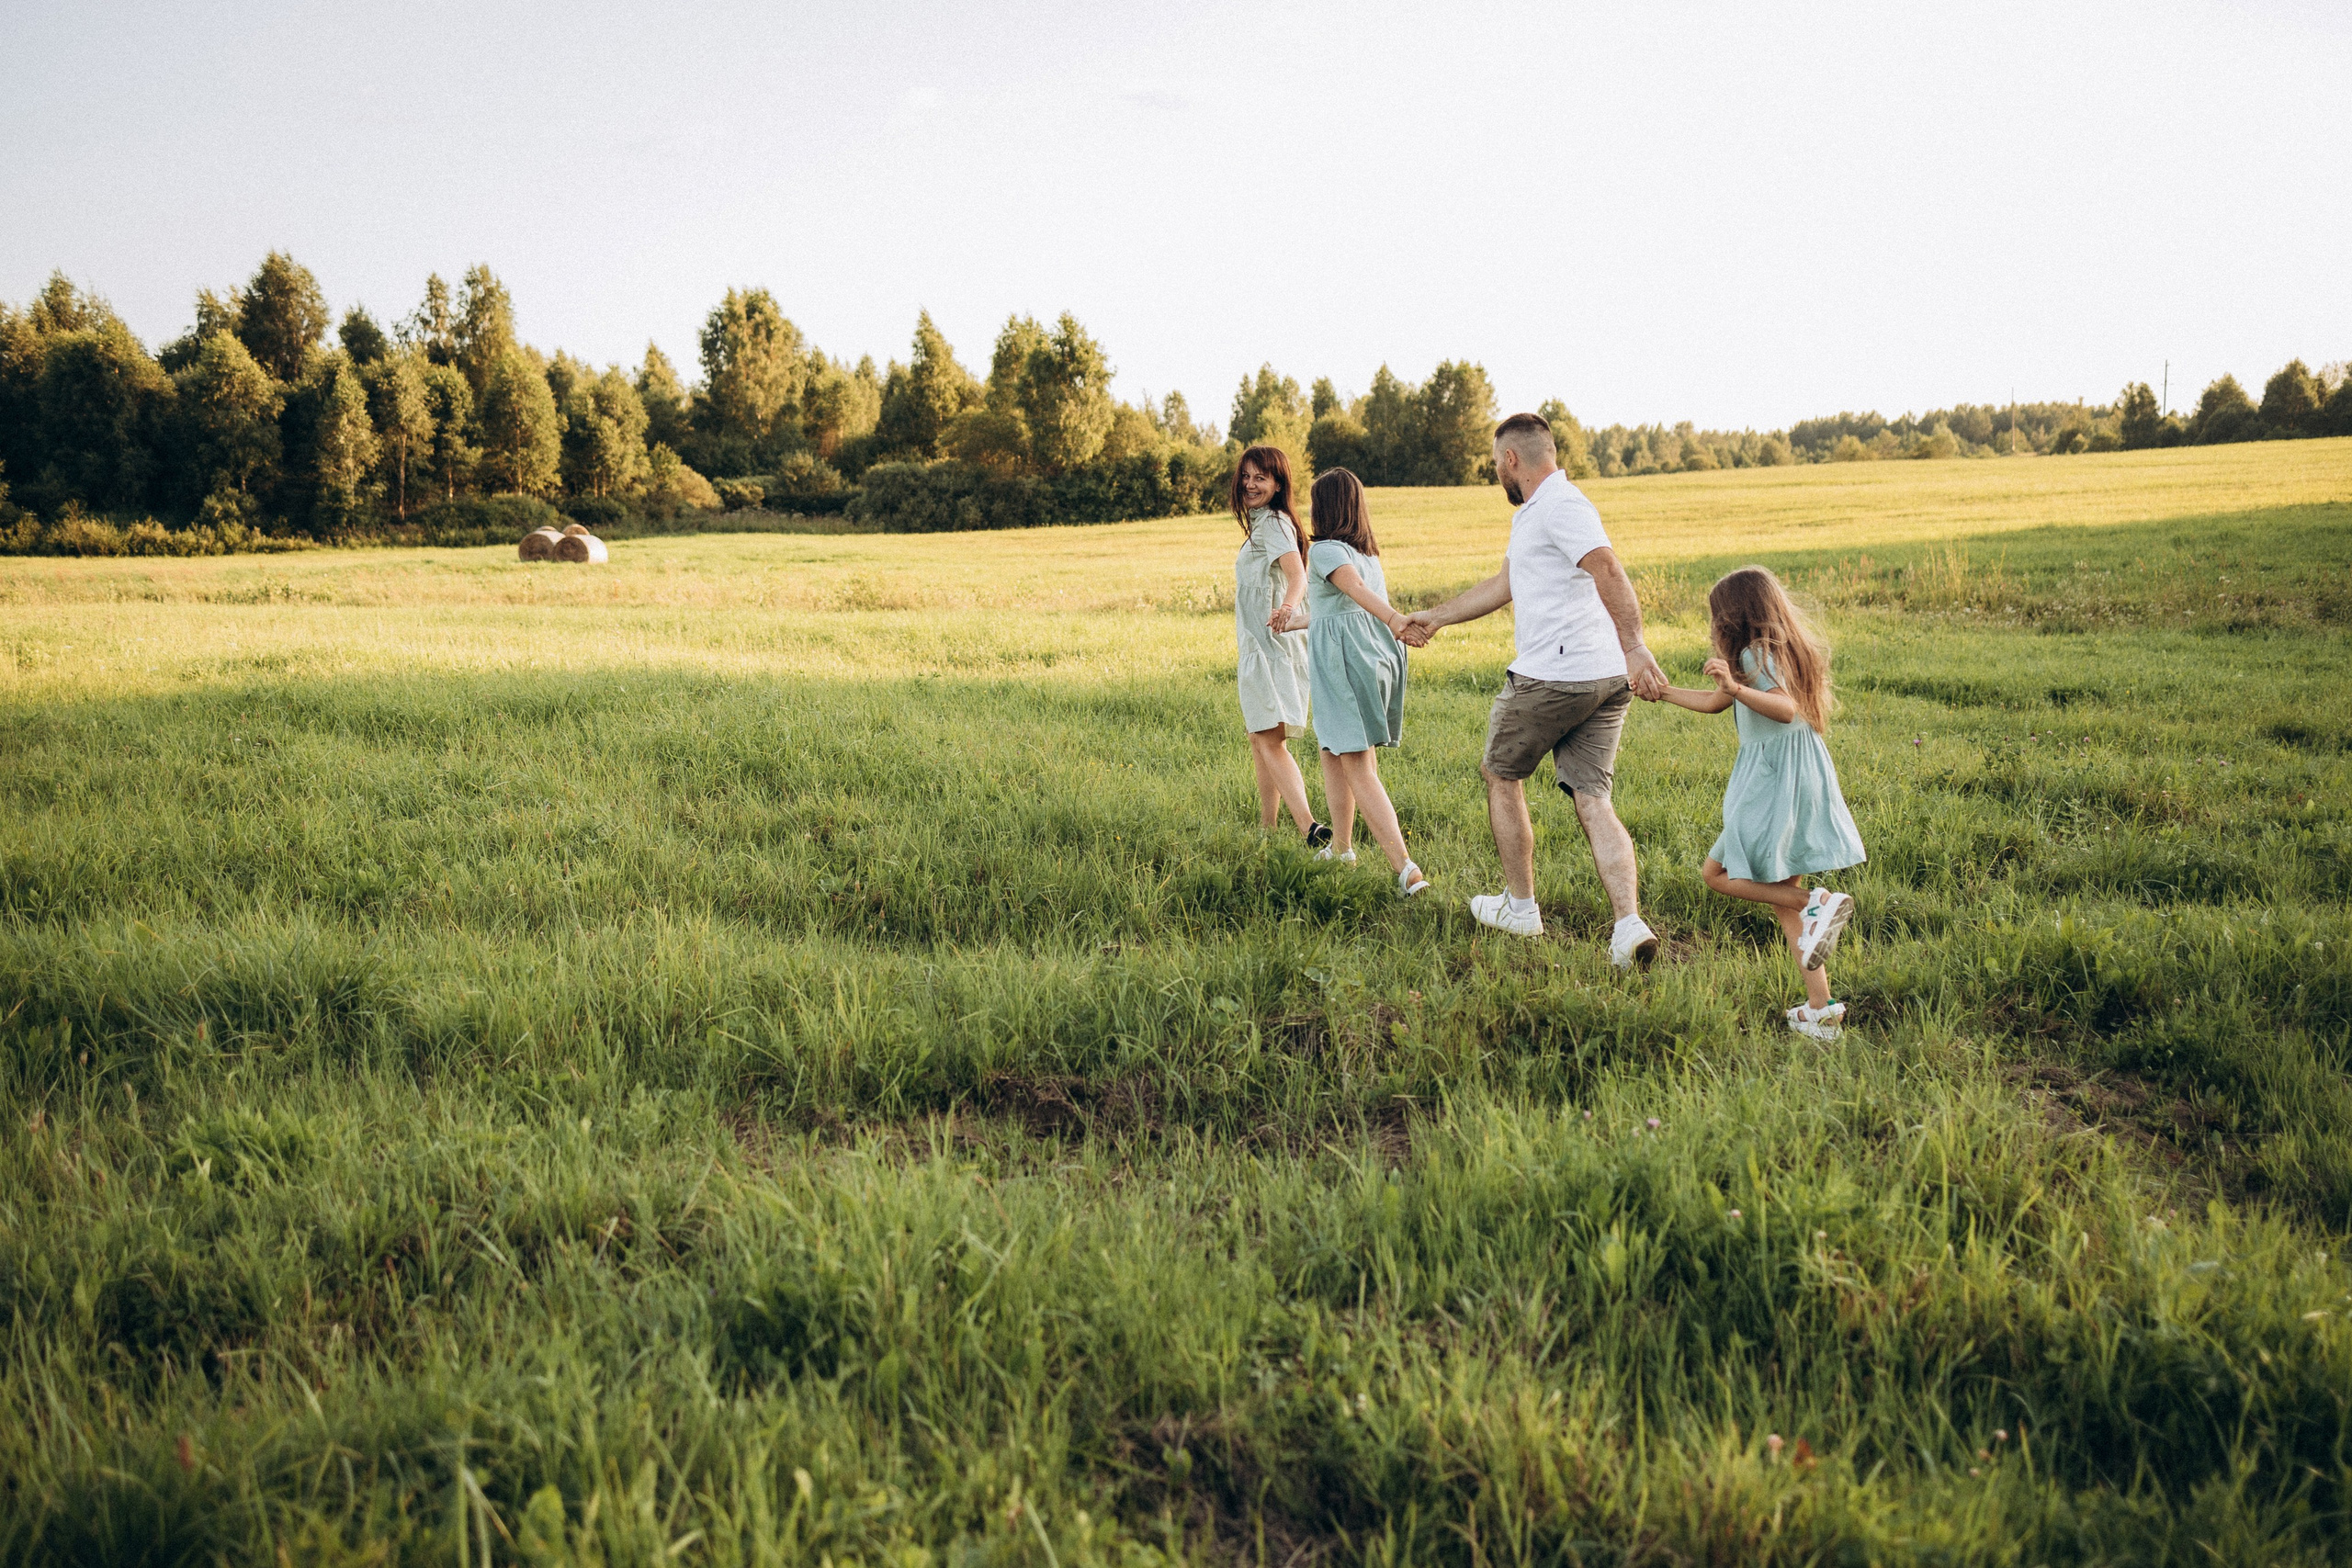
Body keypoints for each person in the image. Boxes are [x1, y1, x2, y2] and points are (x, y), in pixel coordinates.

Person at [1399, 412, 1665, 964]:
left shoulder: (1561, 506)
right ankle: (1628, 925)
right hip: (1604, 678)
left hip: (1556, 675)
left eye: (1497, 463)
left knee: (1500, 774)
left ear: (1511, 460)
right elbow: (1503, 585)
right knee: (1593, 798)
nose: (1497, 472)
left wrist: (1637, 645)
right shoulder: (1538, 515)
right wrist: (1437, 617)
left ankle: (1521, 907)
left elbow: (1608, 569)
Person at [1653, 567, 1865, 1040]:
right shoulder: (1782, 651)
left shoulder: (1755, 654)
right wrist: (1664, 693)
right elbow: (1715, 704)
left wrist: (1736, 687)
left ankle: (1818, 902)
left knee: (1717, 875)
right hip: (1799, 774)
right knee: (1783, 900)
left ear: (1734, 617)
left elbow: (1784, 707)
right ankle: (1821, 1009)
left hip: (1772, 780)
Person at [1285, 468, 1429, 897]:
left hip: (1346, 666)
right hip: (1370, 661)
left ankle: (1406, 869)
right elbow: (1342, 608)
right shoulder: (1365, 553)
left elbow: (1355, 590)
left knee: (1358, 764)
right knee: (1333, 750)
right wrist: (1296, 622)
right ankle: (1343, 849)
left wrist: (1395, 618)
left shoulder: (1327, 550)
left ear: (1325, 507)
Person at [1227, 446, 1326, 846]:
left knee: (1269, 737)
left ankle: (1310, 829)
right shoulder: (1266, 522)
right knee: (1260, 734)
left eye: (1261, 478)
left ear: (1278, 483)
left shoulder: (1273, 524)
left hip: (1272, 645)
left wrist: (1286, 606)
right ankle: (1267, 829)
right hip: (1261, 641)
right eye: (1247, 476)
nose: (1251, 484)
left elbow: (1297, 576)